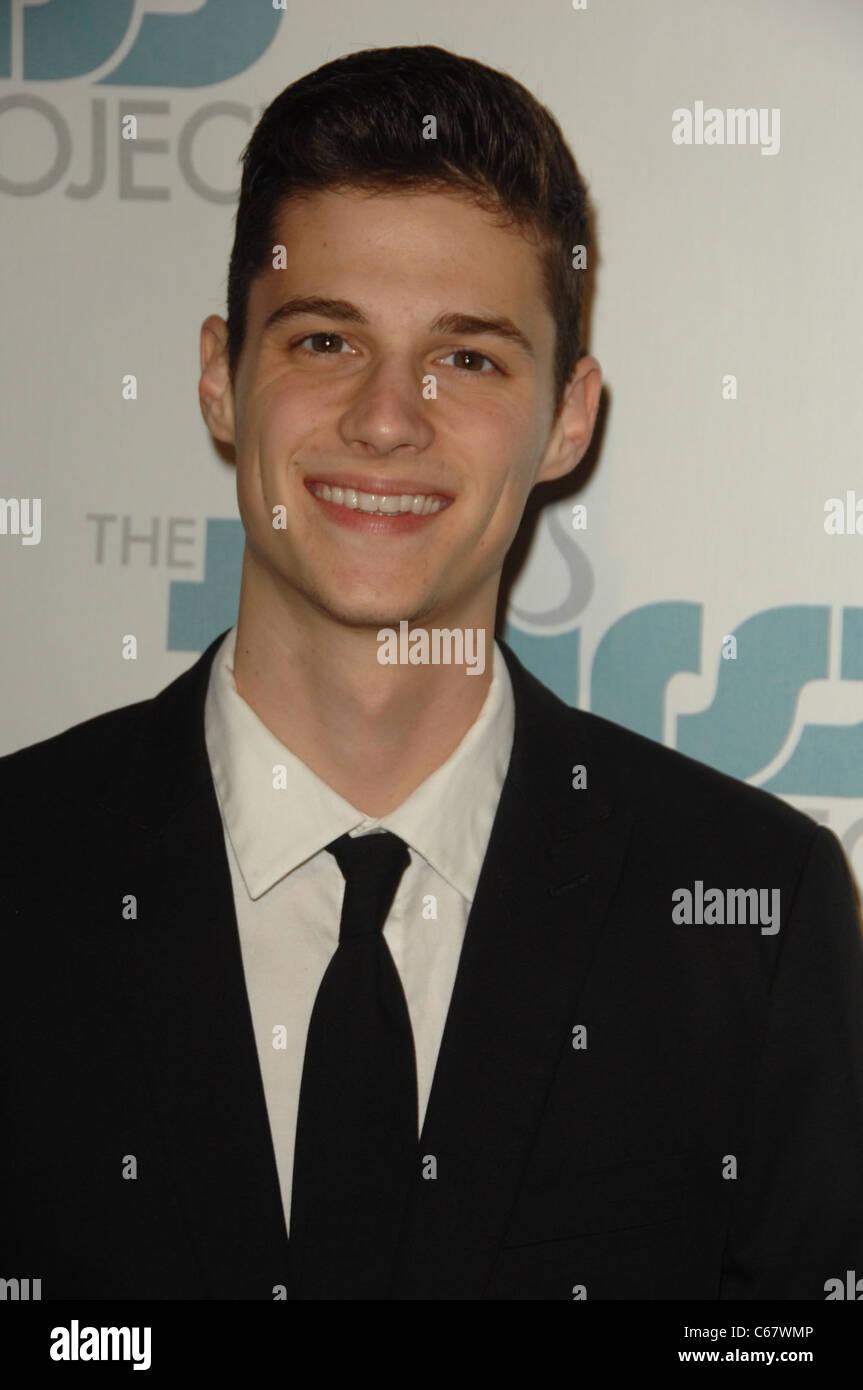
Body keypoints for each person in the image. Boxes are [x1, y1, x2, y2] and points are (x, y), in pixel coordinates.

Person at [2, 44, 861, 1302]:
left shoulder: (751, 913)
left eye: (467, 357)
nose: (387, 417)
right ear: (218, 376)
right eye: (323, 339)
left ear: (567, 417)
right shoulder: (19, 870)